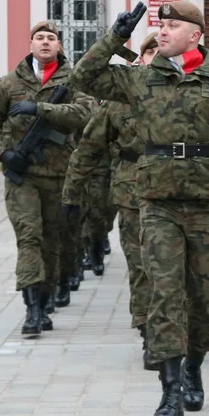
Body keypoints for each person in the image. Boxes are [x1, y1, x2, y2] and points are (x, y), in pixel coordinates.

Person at [71, 1, 209, 416]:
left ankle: (194, 364)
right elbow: (84, 78)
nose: (164, 31)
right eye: (162, 25)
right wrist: (114, 37)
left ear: (196, 34)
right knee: (164, 293)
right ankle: (170, 388)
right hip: (157, 203)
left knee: (207, 300)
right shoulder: (142, 79)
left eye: (173, 25)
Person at [0, 22, 94, 338]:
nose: (45, 42)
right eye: (39, 38)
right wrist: (3, 153)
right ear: (30, 44)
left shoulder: (73, 81)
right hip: (22, 175)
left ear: (59, 46)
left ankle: (44, 303)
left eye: (51, 38)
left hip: (59, 175)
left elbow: (84, 114)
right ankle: (31, 310)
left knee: (52, 243)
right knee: (30, 237)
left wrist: (41, 109)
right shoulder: (10, 83)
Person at [62, 33, 161, 369]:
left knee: (176, 269)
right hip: (133, 193)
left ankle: (180, 328)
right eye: (150, 50)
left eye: (161, 50)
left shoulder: (188, 96)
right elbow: (88, 148)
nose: (156, 55)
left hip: (182, 196)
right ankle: (150, 332)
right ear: (140, 59)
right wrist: (71, 195)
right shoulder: (119, 103)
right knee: (141, 267)